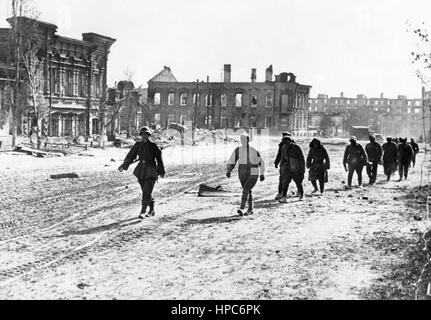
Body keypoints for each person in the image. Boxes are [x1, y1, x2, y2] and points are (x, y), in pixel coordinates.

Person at [118, 126, 165, 219]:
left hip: (151, 170)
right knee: (146, 191)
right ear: (140, 135)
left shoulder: (153, 146)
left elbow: (159, 159)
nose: (144, 136)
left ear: (148, 135)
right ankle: (152, 209)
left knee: (146, 191)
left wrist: (161, 170)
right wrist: (124, 165)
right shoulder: (137, 145)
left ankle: (143, 211)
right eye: (142, 134)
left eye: (146, 134)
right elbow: (130, 156)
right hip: (141, 170)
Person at [226, 132, 266, 216]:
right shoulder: (238, 150)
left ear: (248, 140)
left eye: (245, 140)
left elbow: (261, 162)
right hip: (242, 172)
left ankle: (242, 207)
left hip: (253, 172)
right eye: (242, 140)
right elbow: (232, 160)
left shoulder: (253, 150)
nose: (243, 141)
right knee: (247, 190)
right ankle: (250, 208)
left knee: (246, 189)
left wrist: (262, 174)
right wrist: (229, 170)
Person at [279, 137, 306, 202]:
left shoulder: (296, 148)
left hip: (295, 168)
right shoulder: (283, 148)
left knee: (298, 182)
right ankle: (284, 197)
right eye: (284, 142)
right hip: (287, 168)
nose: (286, 144)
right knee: (285, 183)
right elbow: (282, 159)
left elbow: (301, 159)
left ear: (290, 142)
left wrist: (302, 169)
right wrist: (281, 168)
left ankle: (302, 195)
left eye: (287, 142)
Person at [274, 132, 291, 200]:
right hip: (283, 165)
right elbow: (279, 154)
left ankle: (299, 191)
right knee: (282, 179)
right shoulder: (281, 145)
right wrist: (276, 162)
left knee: (295, 178)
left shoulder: (293, 145)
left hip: (292, 165)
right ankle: (281, 192)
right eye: (283, 136)